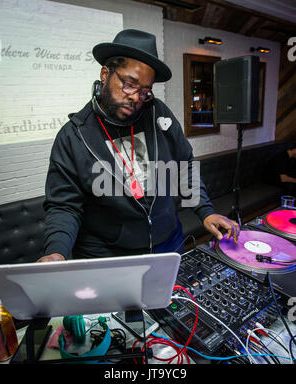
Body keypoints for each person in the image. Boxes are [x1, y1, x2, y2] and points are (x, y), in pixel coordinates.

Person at [38, 29, 240, 263]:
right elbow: (64, 206)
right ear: (105, 74)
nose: (136, 97)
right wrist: (56, 251)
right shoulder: (74, 136)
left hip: (169, 242)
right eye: (129, 84)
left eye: (145, 90)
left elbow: (184, 164)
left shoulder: (158, 113)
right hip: (110, 257)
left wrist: (205, 211)